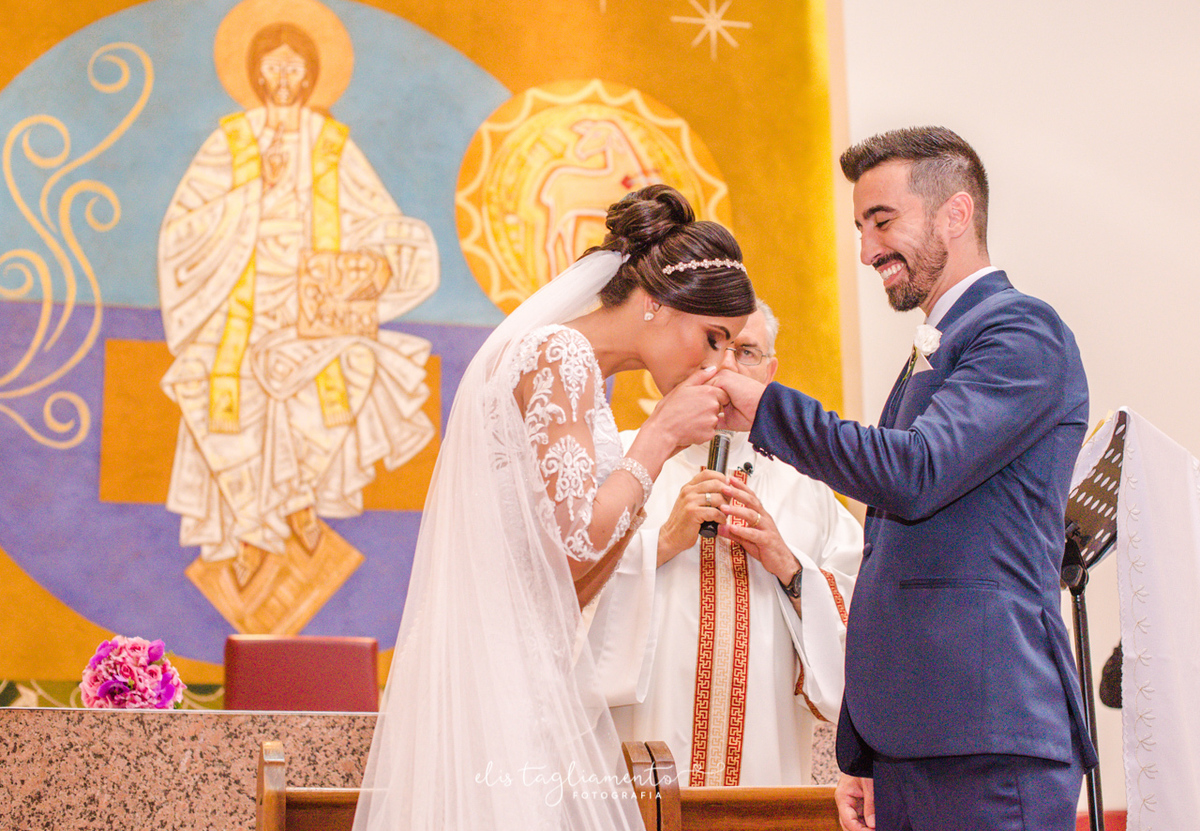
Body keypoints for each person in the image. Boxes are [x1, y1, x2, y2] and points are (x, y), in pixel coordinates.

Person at [712, 127, 1097, 831]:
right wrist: (864, 747)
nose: (866, 250)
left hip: (987, 733)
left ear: (956, 213)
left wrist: (767, 406)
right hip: (918, 743)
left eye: (881, 222)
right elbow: (891, 556)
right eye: (861, 227)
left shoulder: (1020, 332)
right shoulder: (939, 347)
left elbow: (914, 474)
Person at [352, 184, 756, 830]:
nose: (716, 366)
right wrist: (656, 439)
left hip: (530, 673)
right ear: (656, 304)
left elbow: (569, 577)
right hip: (500, 683)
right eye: (713, 338)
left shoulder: (589, 374)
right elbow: (573, 549)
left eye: (732, 348)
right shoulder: (557, 354)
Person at [158, 21, 438, 590]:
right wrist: (247, 194)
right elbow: (180, 230)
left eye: (294, 67)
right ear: (255, 72)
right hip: (239, 303)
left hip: (313, 307)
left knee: (346, 372)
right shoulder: (230, 141)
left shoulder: (331, 143)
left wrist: (382, 258)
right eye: (273, 66)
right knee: (218, 387)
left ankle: (297, 500)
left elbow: (376, 217)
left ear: (311, 74)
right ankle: (244, 527)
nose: (283, 78)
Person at [587, 302, 862, 787]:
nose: (728, 369)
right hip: (642, 755)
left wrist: (790, 567)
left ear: (771, 373)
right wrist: (662, 543)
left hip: (767, 765)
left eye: (748, 353)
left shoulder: (807, 484)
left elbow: (863, 626)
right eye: (716, 348)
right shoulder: (625, 459)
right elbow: (563, 594)